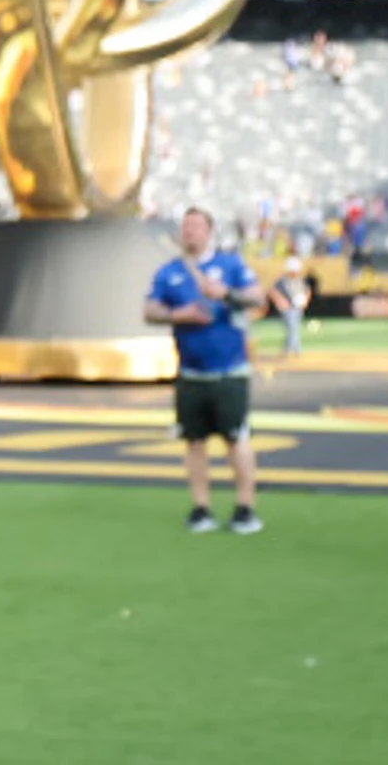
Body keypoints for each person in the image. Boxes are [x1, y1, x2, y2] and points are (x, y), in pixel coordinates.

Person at [147, 207, 265, 534]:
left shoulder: (230, 265)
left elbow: (257, 298)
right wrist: (179, 315)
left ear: (209, 231)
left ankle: (245, 507)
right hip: (190, 373)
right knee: (194, 442)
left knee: (236, 439)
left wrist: (225, 293)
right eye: (186, 226)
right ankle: (201, 508)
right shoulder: (169, 271)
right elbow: (150, 309)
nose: (190, 232)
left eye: (197, 226)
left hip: (229, 370)